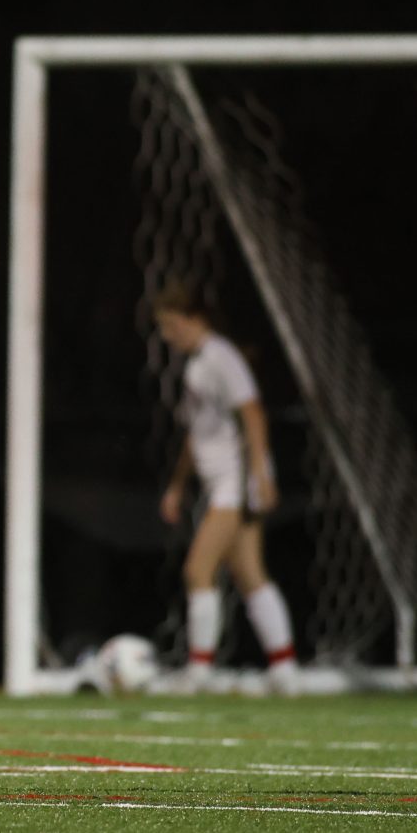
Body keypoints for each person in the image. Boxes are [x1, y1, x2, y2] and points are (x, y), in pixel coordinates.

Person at [154, 284, 300, 692]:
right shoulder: (198, 364)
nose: (168, 335)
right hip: (222, 482)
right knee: (250, 574)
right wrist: (177, 485)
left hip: (235, 482)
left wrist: (261, 476)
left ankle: (199, 671)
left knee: (197, 569)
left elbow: (253, 414)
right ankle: (285, 670)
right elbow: (196, 433)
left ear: (194, 319)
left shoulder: (222, 357)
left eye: (171, 325)